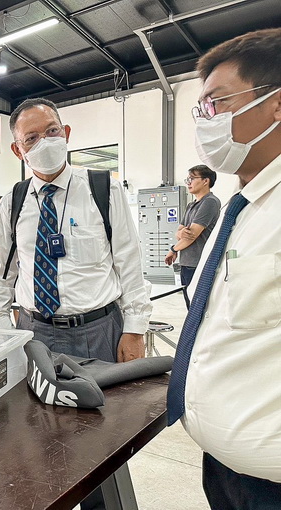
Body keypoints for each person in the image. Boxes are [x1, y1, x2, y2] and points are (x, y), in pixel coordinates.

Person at [0, 98, 152, 510]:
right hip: (34, 334)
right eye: (31, 138)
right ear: (18, 150)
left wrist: (135, 329)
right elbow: (1, 274)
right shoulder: (12, 202)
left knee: (104, 442)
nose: (45, 142)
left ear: (66, 134)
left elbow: (129, 262)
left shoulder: (102, 188)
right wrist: (5, 336)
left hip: (98, 332)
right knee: (39, 436)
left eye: (52, 131)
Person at [166, 28, 281, 509]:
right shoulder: (245, 206)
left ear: (277, 104)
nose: (206, 120)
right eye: (201, 108)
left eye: (217, 102)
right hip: (226, 466)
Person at [164, 165, 221, 308]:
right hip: (187, 263)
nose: (188, 183)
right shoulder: (191, 205)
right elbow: (179, 231)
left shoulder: (210, 202)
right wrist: (180, 233)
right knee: (190, 304)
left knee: (198, 306)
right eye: (187, 179)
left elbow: (191, 235)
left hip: (199, 263)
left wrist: (173, 249)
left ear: (205, 181)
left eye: (192, 179)